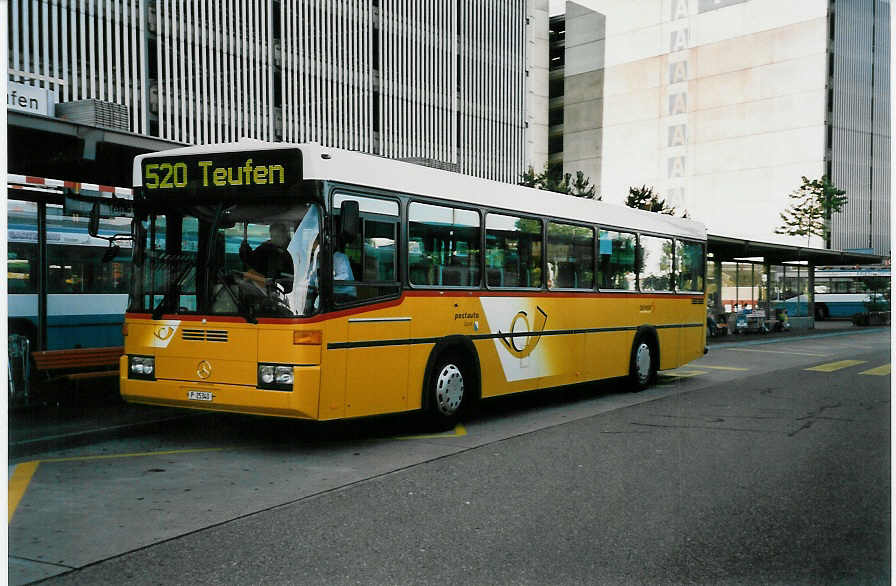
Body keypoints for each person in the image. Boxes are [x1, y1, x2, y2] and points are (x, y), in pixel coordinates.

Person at [240, 223, 294, 293]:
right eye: (272, 236)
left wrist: (279, 282)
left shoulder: (290, 252)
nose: (274, 239)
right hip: (262, 291)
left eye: (277, 236)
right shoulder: (264, 249)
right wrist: (245, 250)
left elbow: (292, 279)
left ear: (284, 236)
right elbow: (250, 260)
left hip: (282, 293)